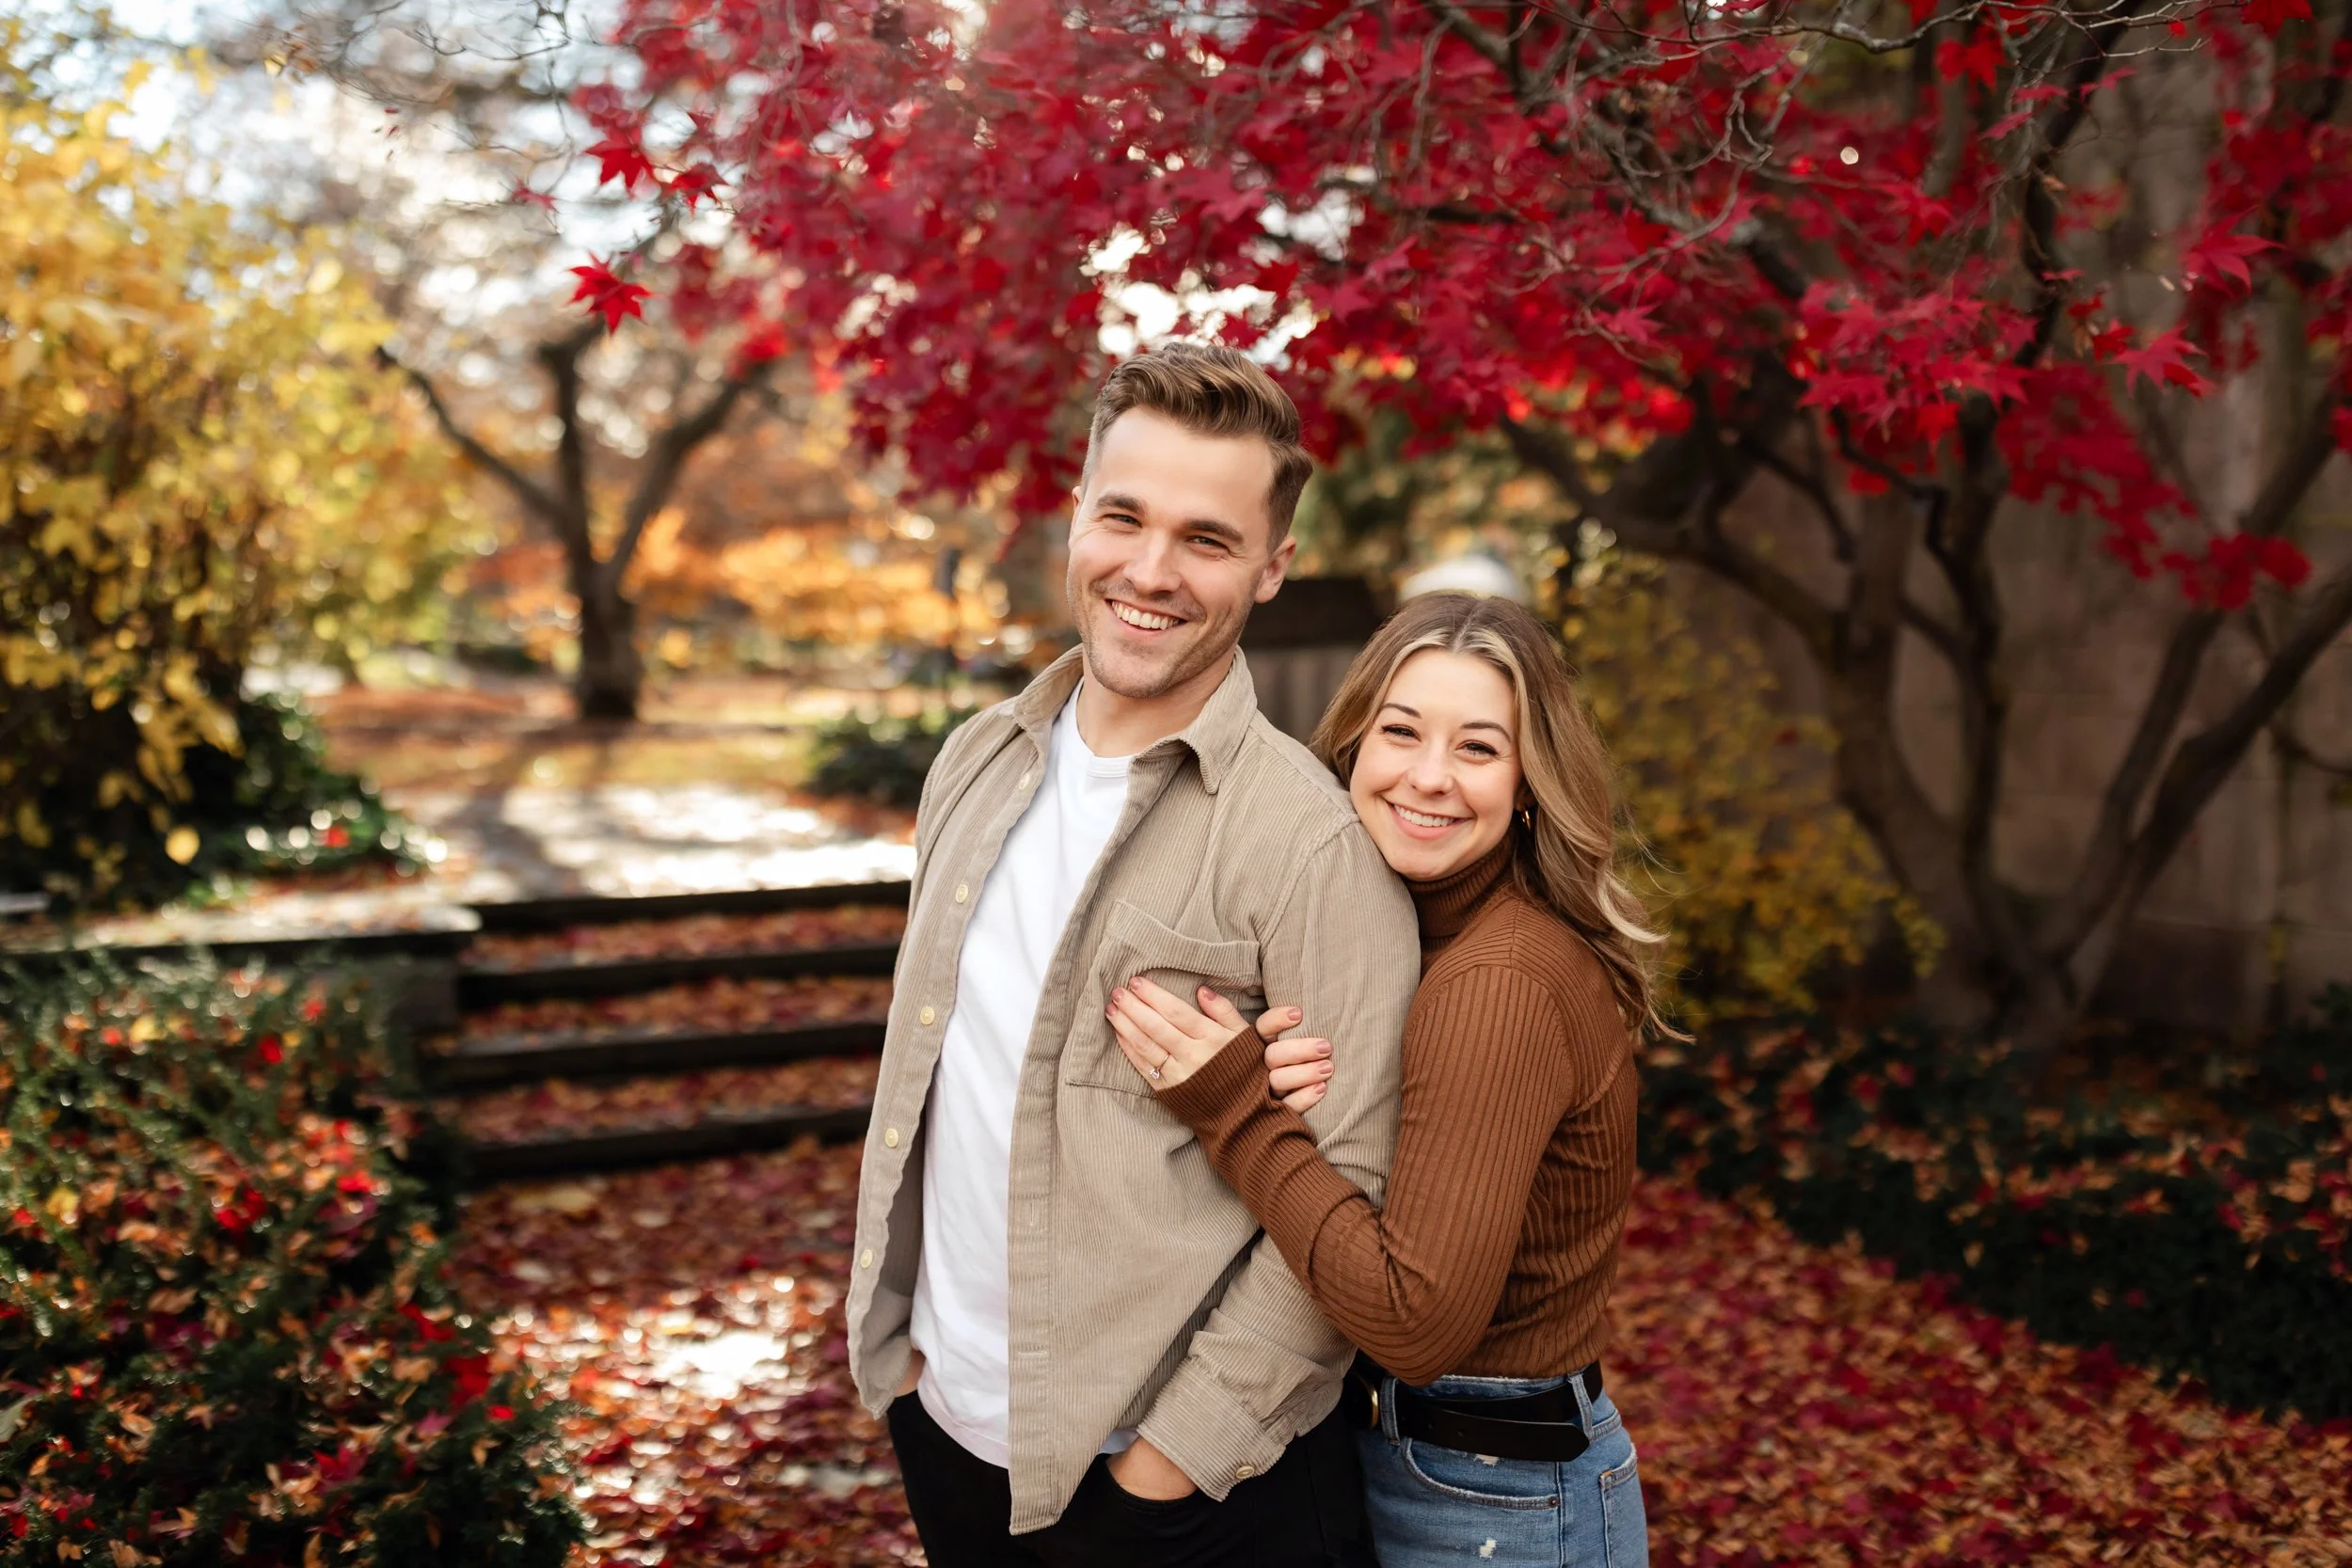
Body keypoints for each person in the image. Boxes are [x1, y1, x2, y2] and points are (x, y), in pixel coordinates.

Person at [846, 341, 1422, 1566]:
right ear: (1077, 516)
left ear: (1272, 567)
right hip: (948, 1426)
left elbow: (1356, 1181)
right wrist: (904, 1366)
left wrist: (1169, 1466)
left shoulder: (1309, 843)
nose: (1150, 571)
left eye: (1206, 539)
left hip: (1184, 1497)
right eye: (1124, 517)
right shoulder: (974, 761)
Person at [1106, 591, 1666, 1568]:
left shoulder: (1498, 980)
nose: (1429, 775)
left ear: (1528, 783)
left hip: (1493, 1502)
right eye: (1401, 731)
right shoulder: (1403, 934)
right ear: (1353, 745)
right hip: (1416, 1462)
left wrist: (1238, 1110)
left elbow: (1416, 1320)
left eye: (1479, 747)